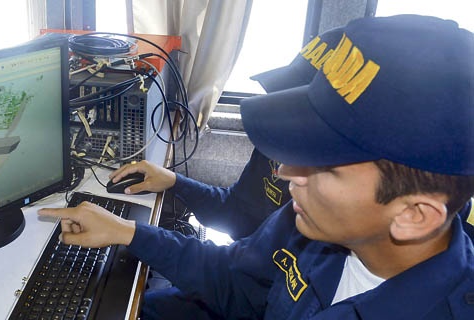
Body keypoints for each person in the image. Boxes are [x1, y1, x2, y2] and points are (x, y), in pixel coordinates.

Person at [38, 14, 474, 319]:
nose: (284, 173)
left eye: (325, 166)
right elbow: (236, 281)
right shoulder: (313, 225)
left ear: (414, 216)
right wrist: (132, 233)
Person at [108, 27, 346, 240]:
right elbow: (236, 209)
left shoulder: (324, 215)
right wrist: (174, 182)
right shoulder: (279, 141)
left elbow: (241, 269)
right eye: (287, 98)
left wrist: (132, 234)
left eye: (301, 107)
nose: (285, 115)